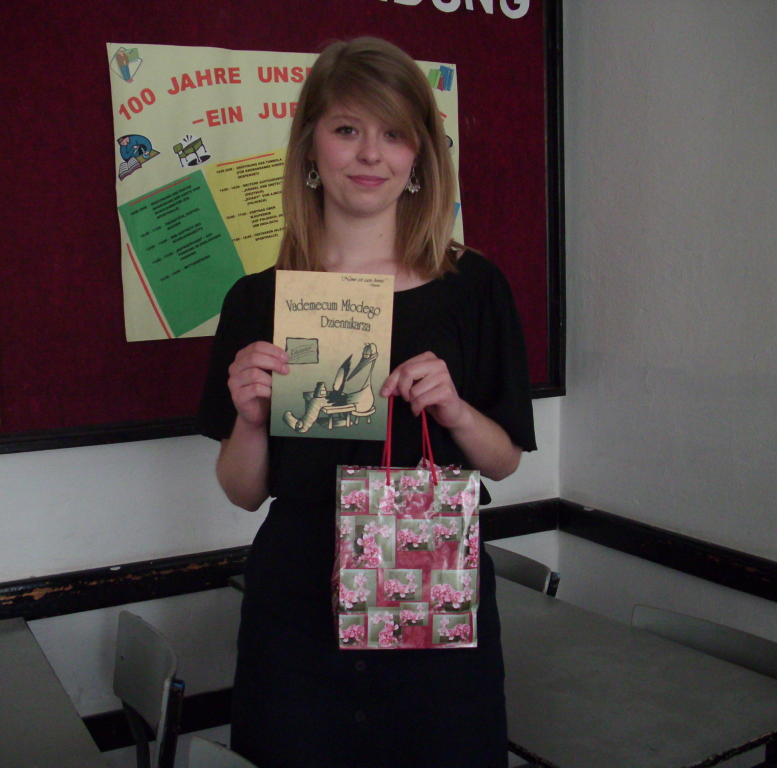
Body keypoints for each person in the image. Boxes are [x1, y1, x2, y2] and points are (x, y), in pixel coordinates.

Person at [198, 37, 536, 768]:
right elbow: (242, 491)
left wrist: (454, 411)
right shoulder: (258, 299)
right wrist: (251, 419)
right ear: (311, 147)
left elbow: (504, 462)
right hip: (297, 603)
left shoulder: (473, 288)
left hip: (429, 581)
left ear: (419, 158)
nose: (370, 155)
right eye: (347, 129)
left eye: (393, 134)